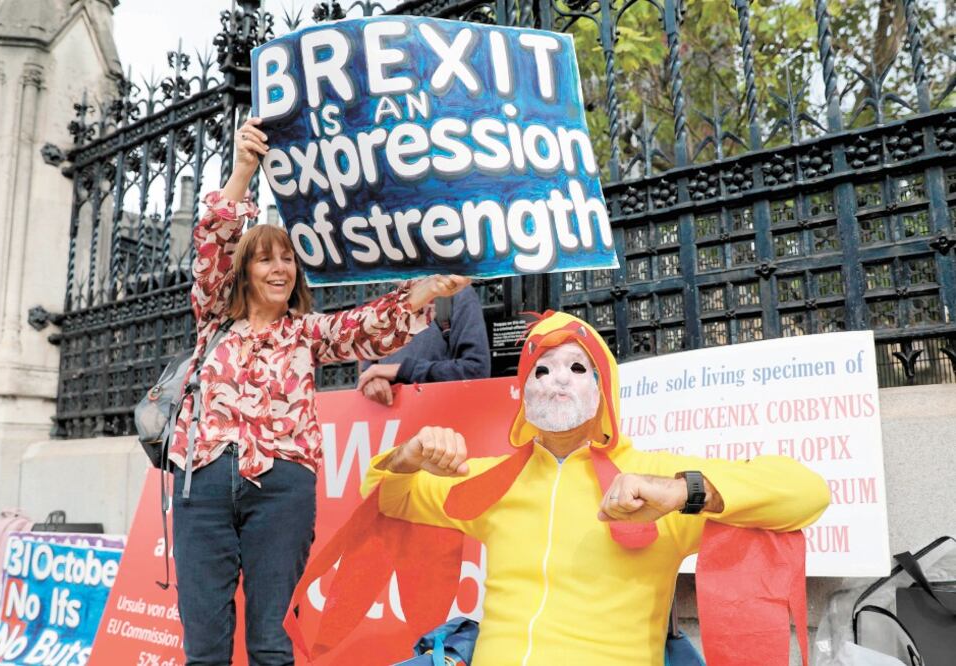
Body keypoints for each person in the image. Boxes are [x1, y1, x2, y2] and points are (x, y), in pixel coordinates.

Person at [287, 310, 830, 664]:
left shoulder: (653, 479)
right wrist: (406, 456)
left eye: (576, 366)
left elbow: (807, 492)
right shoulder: (494, 479)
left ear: (605, 384)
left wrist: (685, 492)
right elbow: (387, 494)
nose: (557, 380)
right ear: (524, 392)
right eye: (541, 371)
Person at [166, 116, 472, 666]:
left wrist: (431, 288)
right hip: (202, 485)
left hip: (281, 492)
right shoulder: (213, 320)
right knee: (206, 646)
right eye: (265, 258)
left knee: (271, 640)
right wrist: (244, 170)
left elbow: (366, 327)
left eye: (287, 258)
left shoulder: (305, 333)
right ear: (243, 273)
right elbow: (212, 239)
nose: (280, 267)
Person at [356, 288, 491, 406]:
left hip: (442, 425)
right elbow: (368, 375)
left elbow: (476, 370)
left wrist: (403, 370)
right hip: (391, 427)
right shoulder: (380, 309)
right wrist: (372, 383)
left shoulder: (457, 295)